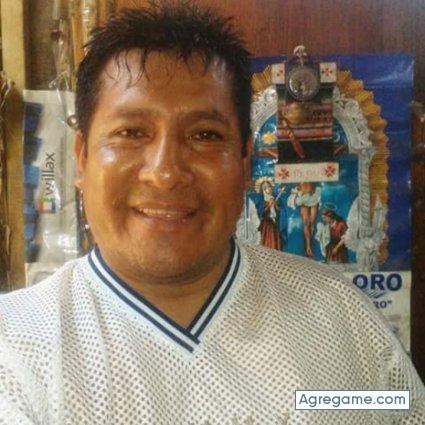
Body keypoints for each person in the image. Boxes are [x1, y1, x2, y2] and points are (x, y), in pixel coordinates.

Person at [0, 3, 424, 424]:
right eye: (131, 132)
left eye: (204, 135)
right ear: (82, 157)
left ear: (244, 164)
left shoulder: (341, 317)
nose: (165, 173)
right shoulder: (15, 351)